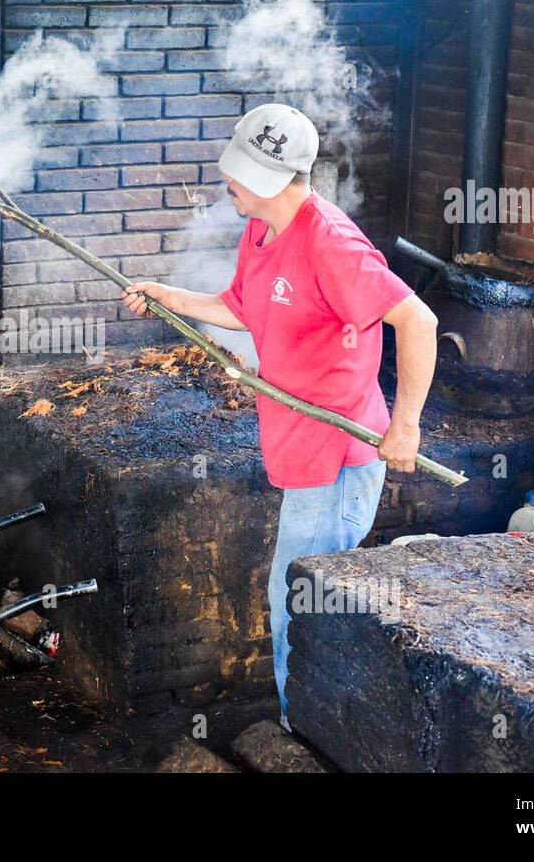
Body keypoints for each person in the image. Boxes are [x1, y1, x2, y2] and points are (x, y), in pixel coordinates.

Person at [121, 103, 439, 731]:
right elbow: (243, 309)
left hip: (339, 455)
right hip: (297, 444)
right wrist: (167, 298)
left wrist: (405, 426)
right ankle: (318, 728)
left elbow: (418, 320)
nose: (228, 183)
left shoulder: (331, 241)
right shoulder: (259, 229)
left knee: (299, 603)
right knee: (300, 600)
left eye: (240, 174)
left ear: (277, 178)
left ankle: (308, 736)